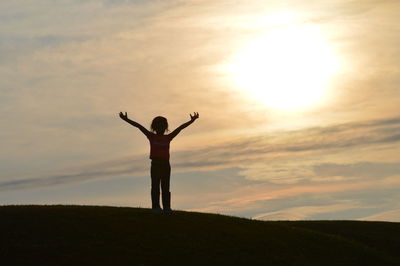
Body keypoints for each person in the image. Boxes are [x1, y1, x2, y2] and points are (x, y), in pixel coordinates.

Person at [119, 111, 199, 214]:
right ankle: (156, 207)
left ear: (165, 127)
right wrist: (126, 119)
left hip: (166, 165)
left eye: (162, 125)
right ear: (154, 127)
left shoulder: (168, 137)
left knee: (166, 187)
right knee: (155, 186)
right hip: (155, 164)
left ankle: (167, 208)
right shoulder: (151, 136)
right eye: (158, 125)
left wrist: (191, 121)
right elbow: (138, 126)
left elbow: (180, 128)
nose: (160, 128)